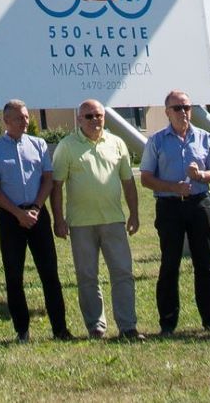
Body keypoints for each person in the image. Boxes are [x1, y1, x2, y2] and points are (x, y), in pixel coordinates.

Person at [0, 99, 73, 342]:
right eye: (19, 118)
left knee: (49, 273)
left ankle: (60, 329)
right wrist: (18, 213)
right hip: (11, 217)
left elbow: (48, 179)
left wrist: (35, 208)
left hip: (37, 215)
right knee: (14, 275)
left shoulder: (38, 144)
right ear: (6, 121)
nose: (25, 121)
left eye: (26, 116)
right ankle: (22, 330)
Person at [50, 98, 142, 341]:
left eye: (98, 115)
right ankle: (95, 326)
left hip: (114, 220)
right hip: (81, 224)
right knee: (87, 276)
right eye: (88, 116)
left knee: (122, 272)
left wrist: (134, 213)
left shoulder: (117, 143)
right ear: (79, 119)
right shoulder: (66, 146)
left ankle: (128, 326)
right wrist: (58, 220)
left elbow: (128, 182)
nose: (94, 120)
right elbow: (56, 186)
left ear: (105, 117)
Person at [138, 89, 210, 334]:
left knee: (204, 264)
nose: (184, 112)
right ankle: (167, 322)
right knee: (169, 264)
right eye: (177, 108)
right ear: (167, 112)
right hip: (169, 207)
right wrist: (172, 187)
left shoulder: (205, 138)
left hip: (199, 204)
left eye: (187, 107)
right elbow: (145, 178)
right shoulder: (157, 141)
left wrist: (201, 175)